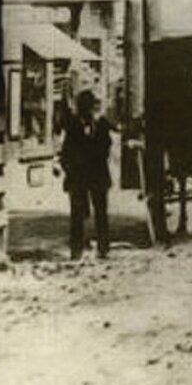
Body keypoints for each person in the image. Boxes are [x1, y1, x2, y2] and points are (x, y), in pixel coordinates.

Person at [60, 89, 113, 259]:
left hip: (96, 174)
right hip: (79, 176)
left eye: (87, 107)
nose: (87, 110)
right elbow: (66, 150)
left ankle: (103, 247)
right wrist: (68, 167)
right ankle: (76, 250)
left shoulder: (101, 124)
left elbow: (107, 146)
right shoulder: (73, 124)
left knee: (101, 212)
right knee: (77, 214)